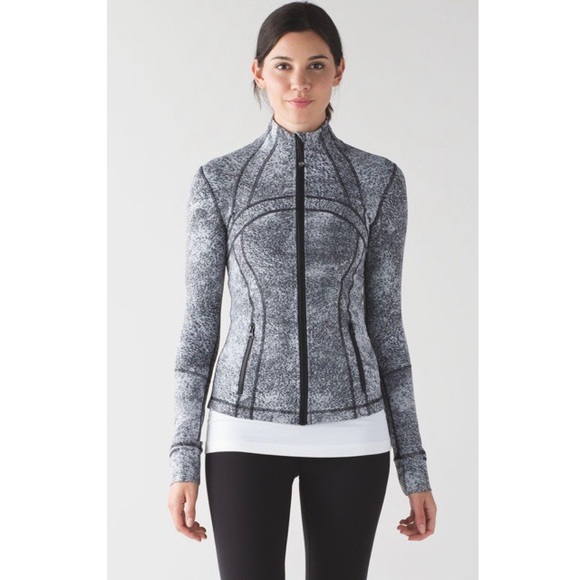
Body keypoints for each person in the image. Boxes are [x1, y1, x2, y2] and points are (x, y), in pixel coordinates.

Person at [167, 2, 437, 578]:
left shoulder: (378, 181)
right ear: (258, 72)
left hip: (354, 435)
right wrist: (183, 456)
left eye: (316, 65)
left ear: (339, 70)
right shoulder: (219, 181)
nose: (299, 83)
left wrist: (413, 465)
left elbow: (386, 324)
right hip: (242, 432)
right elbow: (198, 331)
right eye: (283, 66)